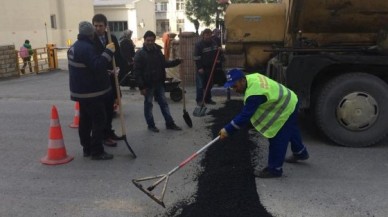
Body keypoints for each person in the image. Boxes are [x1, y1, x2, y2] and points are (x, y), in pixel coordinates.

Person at [218, 68, 309, 178]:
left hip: (285, 106)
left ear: (242, 80)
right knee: (291, 128)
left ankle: (274, 170)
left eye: (235, 86)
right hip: (290, 98)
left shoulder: (254, 94)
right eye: (231, 87)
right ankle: (300, 152)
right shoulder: (252, 77)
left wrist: (227, 130)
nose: (234, 89)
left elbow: (244, 116)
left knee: (278, 137)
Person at [68, 21, 116, 160]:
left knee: (85, 121)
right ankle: (97, 151)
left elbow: (86, 68)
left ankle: (87, 148)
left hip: (80, 91)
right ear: (90, 34)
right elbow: (97, 65)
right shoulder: (87, 48)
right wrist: (108, 52)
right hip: (91, 92)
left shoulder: (74, 47)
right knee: (99, 120)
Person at [133, 30, 182, 133]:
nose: (150, 42)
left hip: (159, 82)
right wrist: (141, 87)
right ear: (144, 40)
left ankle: (170, 123)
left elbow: (164, 63)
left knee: (164, 104)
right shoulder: (140, 54)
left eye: (152, 40)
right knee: (148, 105)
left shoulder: (158, 51)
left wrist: (175, 62)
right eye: (148, 40)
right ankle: (151, 125)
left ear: (154, 40)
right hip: (148, 84)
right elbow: (137, 72)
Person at [92, 14, 123, 147]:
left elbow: (118, 56)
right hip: (99, 79)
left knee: (111, 107)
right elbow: (93, 60)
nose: (98, 28)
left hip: (112, 77)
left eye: (100, 26)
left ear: (106, 26)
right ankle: (104, 135)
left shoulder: (112, 38)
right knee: (102, 110)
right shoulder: (91, 39)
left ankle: (109, 131)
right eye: (96, 25)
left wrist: (118, 68)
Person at [193, 28, 224, 105]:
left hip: (211, 68)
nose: (208, 36)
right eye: (206, 35)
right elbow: (196, 57)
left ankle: (208, 99)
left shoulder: (214, 43)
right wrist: (199, 67)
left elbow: (218, 54)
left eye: (209, 35)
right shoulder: (199, 45)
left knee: (209, 84)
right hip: (202, 68)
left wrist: (219, 55)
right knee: (200, 85)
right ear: (203, 35)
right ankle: (199, 100)